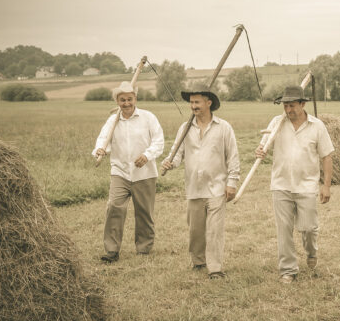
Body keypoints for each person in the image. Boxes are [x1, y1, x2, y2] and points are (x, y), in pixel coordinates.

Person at [255, 85, 334, 284]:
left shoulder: (317, 126)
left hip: (307, 186)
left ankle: (311, 250)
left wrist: (326, 185)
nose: (288, 110)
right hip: (281, 185)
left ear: (302, 104)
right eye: (285, 106)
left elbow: (327, 156)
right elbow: (263, 147)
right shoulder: (277, 122)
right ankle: (288, 270)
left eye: (292, 106)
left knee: (308, 227)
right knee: (284, 229)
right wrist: (260, 151)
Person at [162, 86, 239, 279]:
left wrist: (232, 182)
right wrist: (170, 163)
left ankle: (215, 268)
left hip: (217, 187)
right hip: (194, 187)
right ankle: (198, 261)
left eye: (197, 102)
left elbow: (233, 158)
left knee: (214, 230)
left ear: (208, 103)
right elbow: (178, 154)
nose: (193, 106)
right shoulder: (185, 128)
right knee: (196, 229)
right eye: (191, 102)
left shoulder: (223, 127)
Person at [92, 81, 164, 263]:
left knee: (144, 212)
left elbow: (159, 141)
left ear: (135, 99)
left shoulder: (148, 118)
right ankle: (111, 251)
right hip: (120, 171)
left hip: (145, 173)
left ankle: (144, 249)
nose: (126, 103)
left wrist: (147, 155)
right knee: (114, 207)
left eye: (129, 99)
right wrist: (100, 149)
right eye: (122, 100)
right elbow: (103, 139)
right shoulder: (113, 120)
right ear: (117, 101)